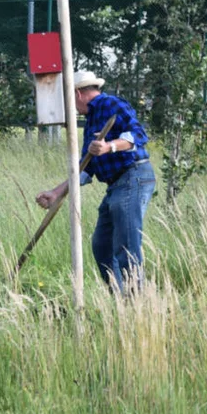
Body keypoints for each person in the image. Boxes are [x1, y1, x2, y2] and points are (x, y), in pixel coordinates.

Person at [35, 72, 156, 293]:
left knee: (126, 245)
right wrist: (56, 193)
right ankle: (120, 299)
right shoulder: (91, 118)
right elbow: (85, 168)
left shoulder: (111, 103)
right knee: (101, 246)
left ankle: (138, 303)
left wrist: (110, 146)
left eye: (68, 99)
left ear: (77, 93)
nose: (70, 106)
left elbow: (139, 135)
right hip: (116, 185)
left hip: (133, 177)